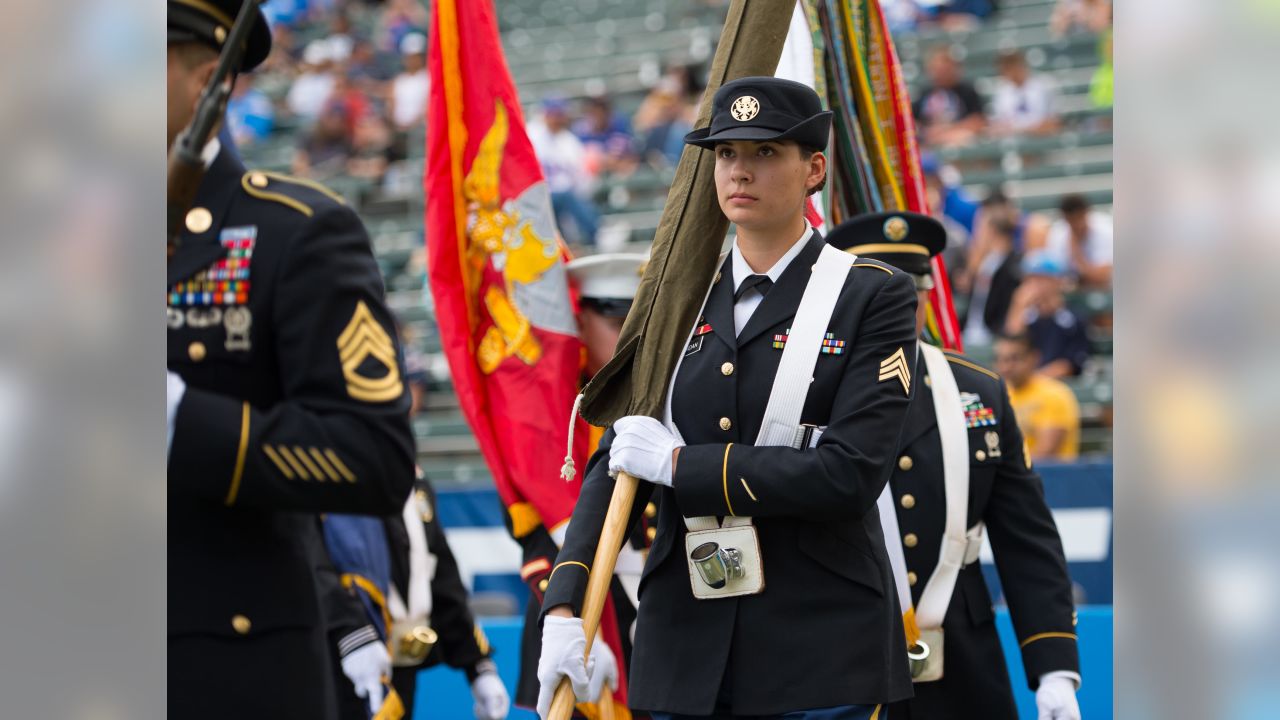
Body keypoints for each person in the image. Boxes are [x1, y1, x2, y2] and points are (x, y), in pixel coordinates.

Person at [537, 77, 919, 719]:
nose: (739, 171)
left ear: (814, 168)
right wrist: (565, 603)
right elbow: (620, 458)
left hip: (817, 643)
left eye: (765, 153)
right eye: (726, 154)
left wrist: (683, 467)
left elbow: (850, 473)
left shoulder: (870, 296)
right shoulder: (671, 300)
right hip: (686, 645)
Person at [166, 2, 416, 717]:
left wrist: (178, 421)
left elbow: (372, 456)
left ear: (205, 81)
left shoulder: (295, 234)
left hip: (219, 671)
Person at [826, 213, 1081, 720]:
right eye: (882, 290)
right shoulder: (804, 390)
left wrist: (1053, 666)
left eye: (913, 289)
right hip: (839, 657)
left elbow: (1025, 538)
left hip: (961, 662)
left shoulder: (978, 391)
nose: (900, 305)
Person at [508, 253, 653, 717]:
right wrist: (573, 616)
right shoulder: (554, 421)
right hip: (573, 612)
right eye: (617, 322)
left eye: (643, 323)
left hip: (657, 619)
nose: (634, 339)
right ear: (581, 323)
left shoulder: (671, 397)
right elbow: (537, 537)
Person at [994, 333, 1082, 462]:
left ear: (1033, 358)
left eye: (1014, 358)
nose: (1005, 367)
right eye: (1001, 359)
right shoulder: (1000, 393)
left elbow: (1046, 453)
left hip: (1051, 478)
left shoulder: (1054, 394)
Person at [1004, 252, 1092, 379]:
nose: (1031, 285)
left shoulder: (1072, 319)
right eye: (1028, 279)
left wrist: (1035, 382)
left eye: (1039, 279)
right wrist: (1018, 307)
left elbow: (1069, 364)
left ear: (1056, 281)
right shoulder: (1025, 317)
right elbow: (1010, 348)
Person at [528, 98, 601, 247]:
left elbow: (582, 179)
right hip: (539, 196)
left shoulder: (570, 142)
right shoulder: (532, 134)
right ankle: (593, 234)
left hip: (563, 199)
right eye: (552, 114)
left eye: (558, 115)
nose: (555, 119)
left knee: (570, 197)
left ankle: (589, 238)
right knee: (565, 197)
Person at [912, 46, 985, 147]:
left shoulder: (967, 91)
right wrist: (928, 132)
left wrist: (946, 130)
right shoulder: (925, 93)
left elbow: (978, 122)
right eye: (936, 69)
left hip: (957, 142)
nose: (940, 73)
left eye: (945, 69)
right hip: (929, 143)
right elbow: (913, 122)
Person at [1043, 194, 1113, 288]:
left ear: (1087, 213)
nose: (1077, 225)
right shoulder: (1057, 233)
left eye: (1079, 218)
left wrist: (1075, 251)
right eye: (1072, 220)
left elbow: (1101, 277)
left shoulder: (1106, 230)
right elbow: (1052, 276)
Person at [989, 49, 1061, 137]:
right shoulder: (1001, 92)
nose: (1009, 70)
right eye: (1005, 66)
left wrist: (1023, 130)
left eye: (1012, 63)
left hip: (1044, 141)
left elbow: (1054, 123)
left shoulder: (1045, 84)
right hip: (1014, 144)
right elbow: (997, 127)